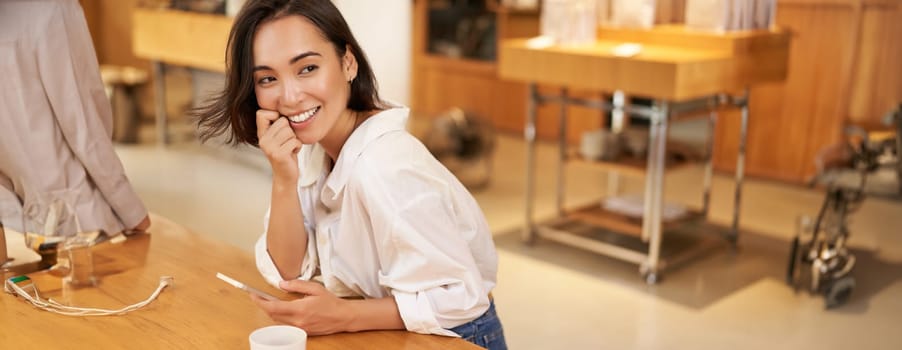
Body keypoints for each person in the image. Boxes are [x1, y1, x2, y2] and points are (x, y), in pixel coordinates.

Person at [193, 0, 506, 348]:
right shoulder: (315, 148)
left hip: (453, 337)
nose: (290, 96)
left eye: (307, 68)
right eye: (268, 78)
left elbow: (461, 298)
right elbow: (288, 273)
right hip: (386, 330)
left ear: (348, 63)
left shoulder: (385, 165)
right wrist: (284, 178)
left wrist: (342, 315)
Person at [0, 0, 150, 239]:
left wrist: (13, 218)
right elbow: (83, 124)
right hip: (81, 221)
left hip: (19, 229)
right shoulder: (54, 9)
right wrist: (131, 208)